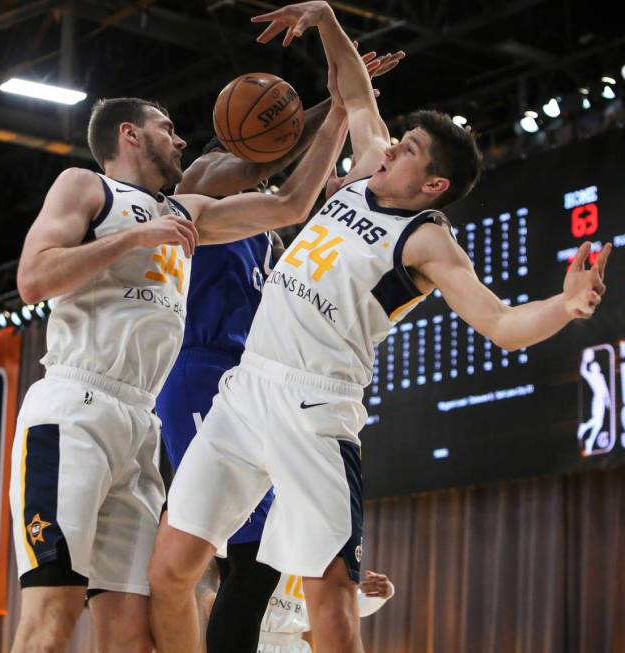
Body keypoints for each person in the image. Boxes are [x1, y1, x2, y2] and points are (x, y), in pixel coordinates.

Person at [149, 3, 613, 653]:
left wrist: (564, 306)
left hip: (316, 409)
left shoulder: (428, 243)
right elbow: (355, 90)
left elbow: (501, 324)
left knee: (330, 602)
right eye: (401, 141)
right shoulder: (370, 163)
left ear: (434, 184)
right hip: (248, 388)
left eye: (411, 151)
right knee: (170, 567)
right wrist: (327, 18)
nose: (394, 147)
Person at [8, 83, 348, 653]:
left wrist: (341, 109)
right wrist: (135, 237)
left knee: (133, 636)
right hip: (73, 411)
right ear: (129, 134)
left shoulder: (183, 212)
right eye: (167, 126)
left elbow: (291, 204)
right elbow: (33, 280)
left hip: (140, 424)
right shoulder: (86, 186)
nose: (181, 137)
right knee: (52, 621)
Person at [156, 50, 400, 653]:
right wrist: (329, 109)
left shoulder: (265, 219)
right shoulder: (205, 178)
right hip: (199, 370)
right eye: (276, 121)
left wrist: (340, 105)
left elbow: (317, 195)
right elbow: (285, 171)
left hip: (250, 384)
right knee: (233, 556)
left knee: (256, 556)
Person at [256, 570, 394, 653]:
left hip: (292, 646)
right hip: (248, 639)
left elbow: (341, 605)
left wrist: (380, 592)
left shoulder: (322, 551)